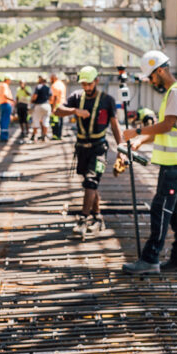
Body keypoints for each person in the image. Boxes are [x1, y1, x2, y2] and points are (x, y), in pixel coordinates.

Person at [121, 50, 177, 274]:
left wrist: (136, 130)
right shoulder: (176, 92)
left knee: (161, 208)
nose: (151, 82)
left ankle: (150, 258)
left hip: (175, 162)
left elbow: (167, 125)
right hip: (176, 160)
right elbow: (167, 129)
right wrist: (141, 139)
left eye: (151, 77)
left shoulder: (175, 92)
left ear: (160, 70)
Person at [54, 66, 123, 237]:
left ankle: (84, 219)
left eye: (89, 84)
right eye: (83, 84)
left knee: (91, 181)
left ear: (96, 81)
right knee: (89, 182)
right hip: (82, 148)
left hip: (99, 149)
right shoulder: (77, 97)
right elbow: (57, 110)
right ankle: (98, 217)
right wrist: (75, 110)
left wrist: (121, 150)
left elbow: (114, 126)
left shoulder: (107, 100)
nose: (86, 87)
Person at [30, 75, 52, 142]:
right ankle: (44, 137)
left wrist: (32, 100)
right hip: (47, 105)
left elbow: (35, 96)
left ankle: (34, 137)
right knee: (46, 121)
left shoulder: (38, 87)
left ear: (40, 80)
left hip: (39, 105)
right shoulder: (48, 87)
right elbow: (51, 97)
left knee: (36, 120)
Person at [0, 76, 15, 142]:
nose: (10, 81)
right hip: (7, 103)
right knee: (6, 120)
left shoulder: (0, 85)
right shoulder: (5, 85)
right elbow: (5, 95)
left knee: (3, 120)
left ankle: (2, 136)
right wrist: (12, 100)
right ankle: (4, 137)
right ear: (7, 79)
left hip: (2, 104)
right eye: (9, 80)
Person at [49, 72, 67, 140]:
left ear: (54, 78)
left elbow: (55, 97)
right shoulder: (62, 84)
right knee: (60, 120)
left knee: (55, 121)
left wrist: (53, 108)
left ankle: (55, 135)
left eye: (51, 78)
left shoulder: (55, 85)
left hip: (56, 105)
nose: (50, 80)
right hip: (62, 104)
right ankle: (59, 135)